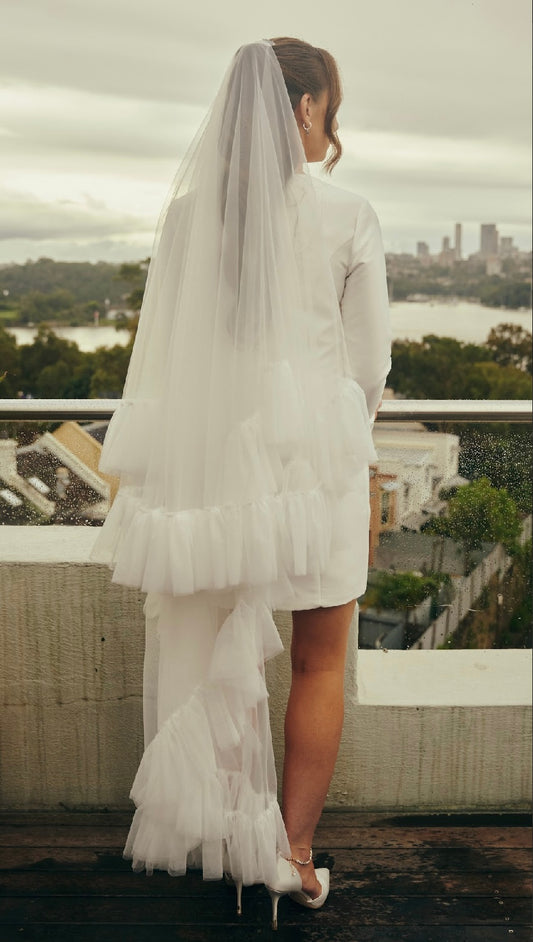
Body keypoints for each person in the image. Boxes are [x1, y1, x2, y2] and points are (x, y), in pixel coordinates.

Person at [90, 37, 390, 929]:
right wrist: (352, 458)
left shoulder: (188, 215)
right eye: (328, 105)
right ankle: (292, 857)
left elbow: (171, 357)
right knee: (317, 659)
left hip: (215, 481)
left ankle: (221, 839)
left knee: (213, 647)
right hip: (314, 476)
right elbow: (368, 366)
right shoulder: (348, 213)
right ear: (304, 109)